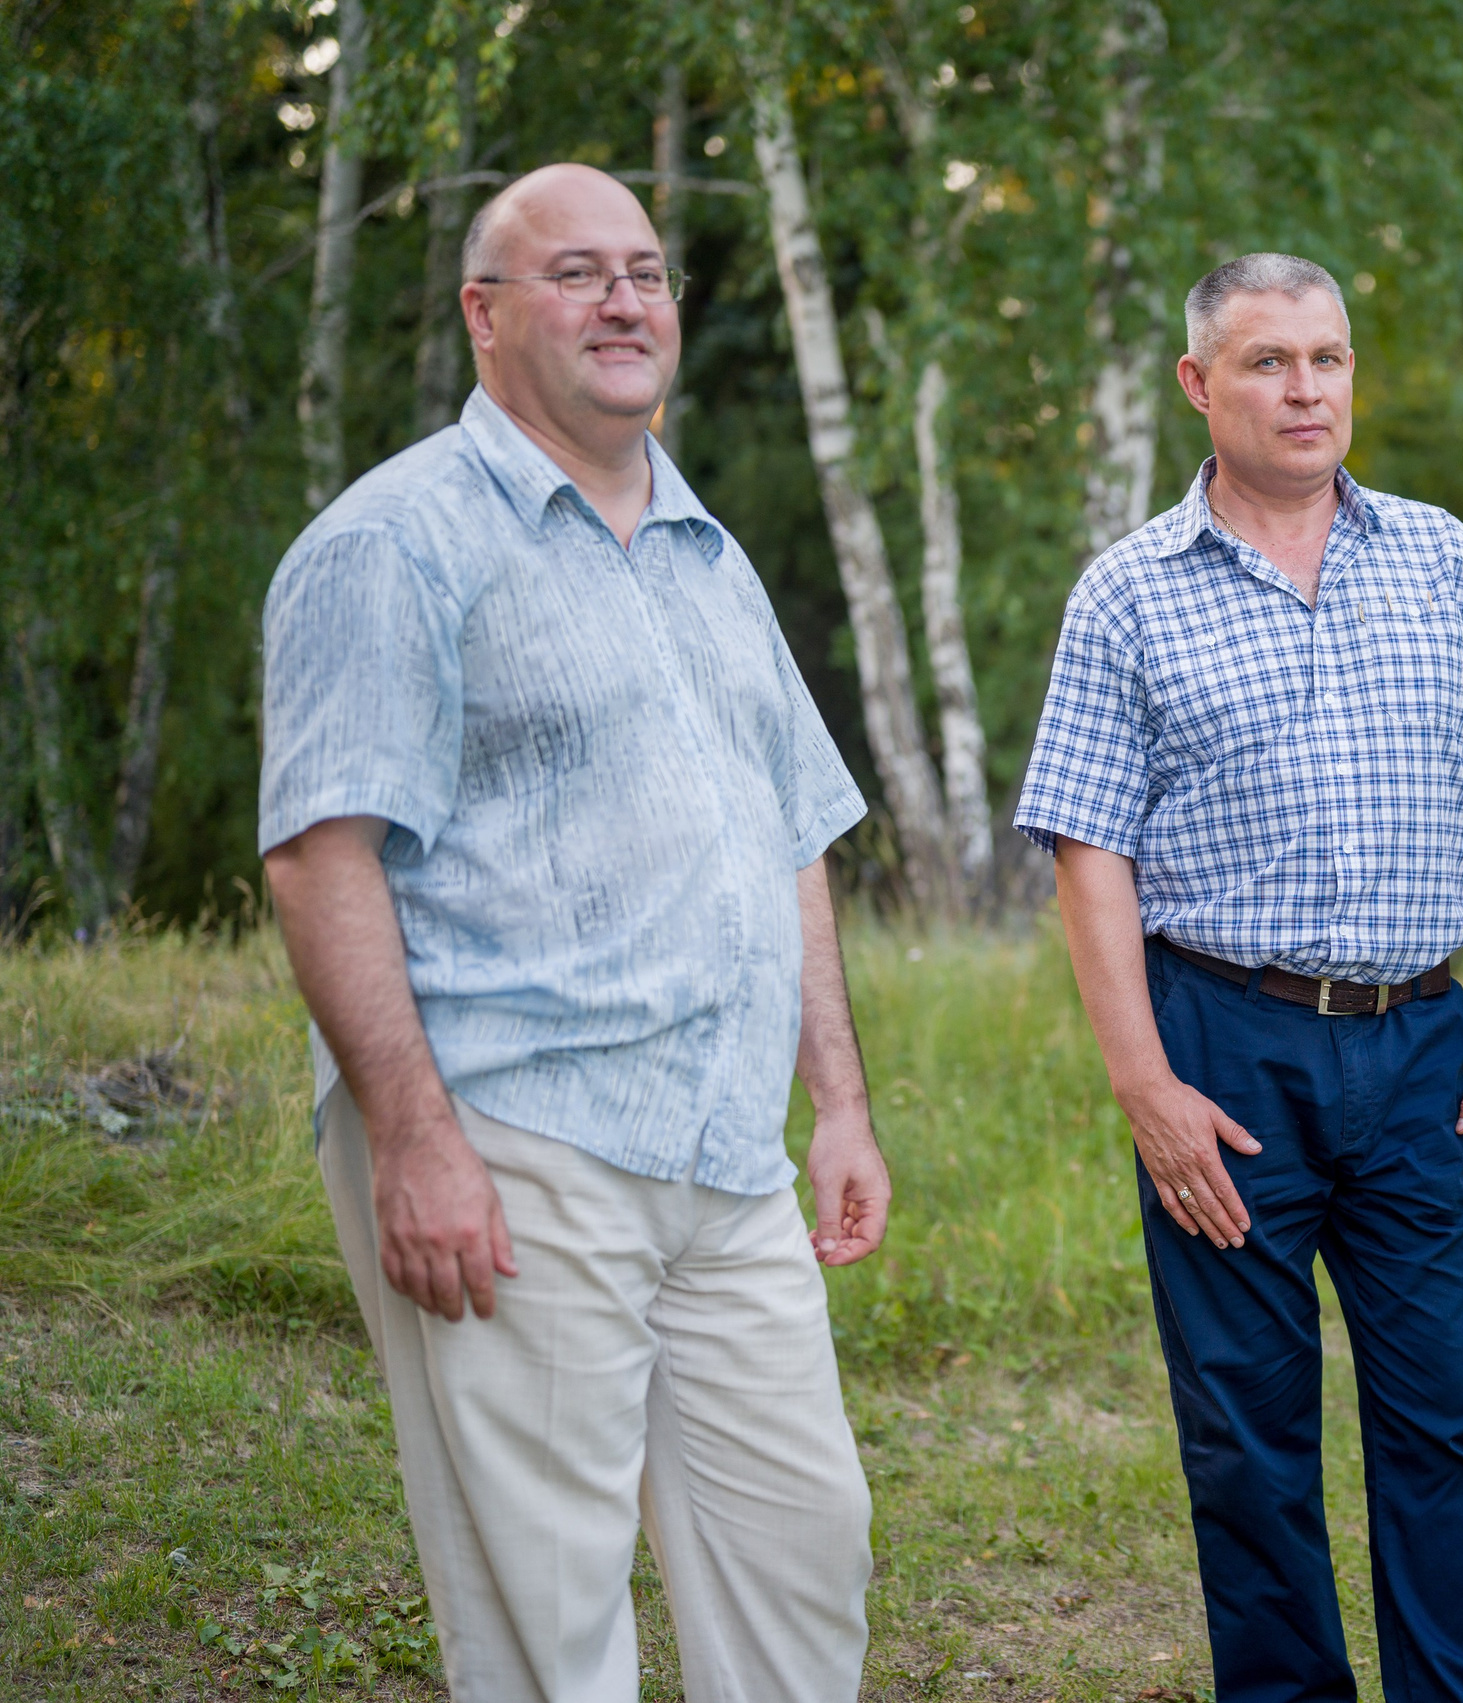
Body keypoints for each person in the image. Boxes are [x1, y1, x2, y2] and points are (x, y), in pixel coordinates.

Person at [259, 163, 888, 1703]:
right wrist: (414, 1138)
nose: (626, 301)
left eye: (649, 272)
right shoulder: (394, 541)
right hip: (514, 1131)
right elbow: (320, 856)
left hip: (725, 1157)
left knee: (807, 1557)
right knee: (546, 1619)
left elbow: (784, 833)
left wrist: (842, 1101)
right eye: (578, 273)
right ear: (486, 317)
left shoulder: (708, 554)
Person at [1015, 252, 1463, 1703]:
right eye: (1269, 362)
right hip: (1224, 1046)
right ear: (1201, 386)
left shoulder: (1445, 559)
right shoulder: (1129, 593)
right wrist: (1147, 1087)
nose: (1307, 388)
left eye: (1327, 358)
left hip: (1418, 1052)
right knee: (1249, 1437)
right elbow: (1090, 856)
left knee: (1443, 1427)